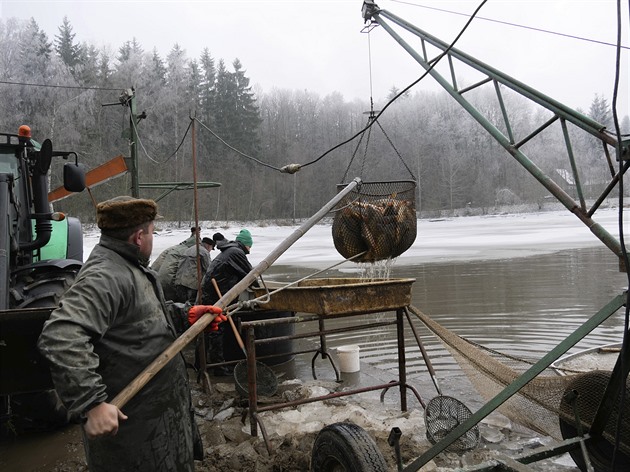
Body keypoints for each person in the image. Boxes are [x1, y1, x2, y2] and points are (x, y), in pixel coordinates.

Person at [37, 196, 223, 472]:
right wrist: (92, 403)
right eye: (151, 233)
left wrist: (185, 315)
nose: (152, 239)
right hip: (136, 435)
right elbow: (61, 334)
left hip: (161, 425)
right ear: (138, 237)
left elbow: (140, 320)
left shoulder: (130, 267)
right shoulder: (106, 276)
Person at [201, 229, 253, 375]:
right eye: (250, 245)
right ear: (245, 244)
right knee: (217, 329)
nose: (250, 248)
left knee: (213, 328)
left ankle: (209, 363)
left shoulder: (230, 250)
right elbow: (250, 275)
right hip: (216, 295)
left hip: (213, 293)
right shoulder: (236, 253)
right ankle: (217, 367)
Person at [152, 226, 200, 300]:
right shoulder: (189, 251)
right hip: (168, 282)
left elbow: (155, 267)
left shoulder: (175, 248)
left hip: (155, 280)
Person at [173, 236, 214, 303]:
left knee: (181, 305)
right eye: (211, 249)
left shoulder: (189, 249)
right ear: (209, 246)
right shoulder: (204, 252)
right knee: (191, 305)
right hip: (191, 283)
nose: (210, 251)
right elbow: (208, 268)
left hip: (179, 280)